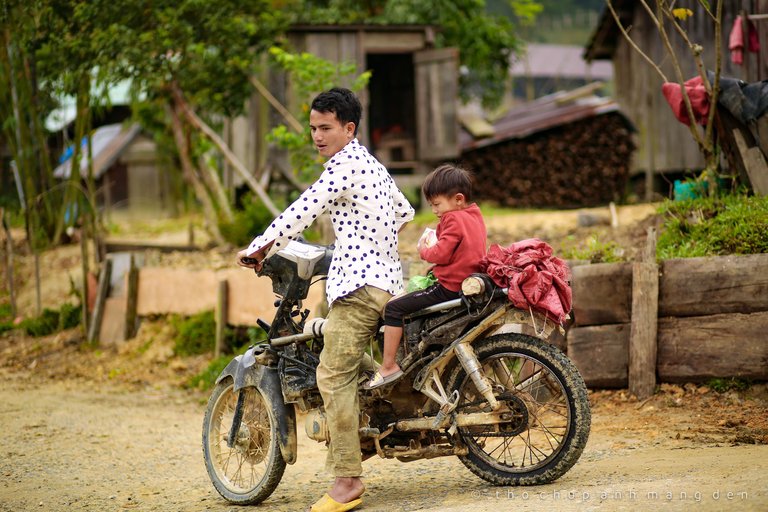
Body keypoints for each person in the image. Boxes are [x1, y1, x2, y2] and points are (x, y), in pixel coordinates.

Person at [237, 87, 414, 512]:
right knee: (342, 354)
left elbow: (302, 210)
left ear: (348, 129)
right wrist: (373, 241)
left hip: (357, 287)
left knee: (331, 375)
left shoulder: (343, 167)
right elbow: (405, 211)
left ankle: (347, 480)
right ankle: (374, 426)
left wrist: (260, 248)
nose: (317, 136)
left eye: (326, 128)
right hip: (389, 283)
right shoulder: (373, 166)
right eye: (313, 128)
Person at [365, 164, 487, 389]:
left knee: (393, 308)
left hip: (450, 286)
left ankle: (389, 365)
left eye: (437, 204)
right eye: (432, 205)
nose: (434, 210)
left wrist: (424, 249)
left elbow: (441, 253)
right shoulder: (475, 216)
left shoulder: (452, 219)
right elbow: (463, 252)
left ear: (458, 199)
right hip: (468, 281)